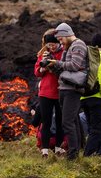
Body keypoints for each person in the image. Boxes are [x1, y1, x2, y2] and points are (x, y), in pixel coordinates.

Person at [48, 23, 88, 160]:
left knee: (67, 122)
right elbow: (63, 70)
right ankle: (78, 149)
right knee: (74, 120)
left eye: (60, 39)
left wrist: (56, 63)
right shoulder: (68, 47)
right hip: (65, 88)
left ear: (66, 34)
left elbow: (74, 65)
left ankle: (73, 154)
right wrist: (52, 66)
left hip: (73, 89)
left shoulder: (78, 45)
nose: (60, 42)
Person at [34, 29, 64, 158]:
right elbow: (36, 72)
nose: (51, 47)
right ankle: (44, 149)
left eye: (54, 44)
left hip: (60, 91)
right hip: (45, 92)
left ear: (59, 43)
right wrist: (43, 68)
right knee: (45, 122)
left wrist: (54, 65)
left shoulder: (64, 53)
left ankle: (58, 147)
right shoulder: (43, 53)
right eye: (49, 45)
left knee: (59, 121)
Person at [80, 34, 101, 157]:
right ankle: (87, 154)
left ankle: (100, 151)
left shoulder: (84, 57)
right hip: (97, 98)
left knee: (93, 127)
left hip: (83, 97)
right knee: (98, 129)